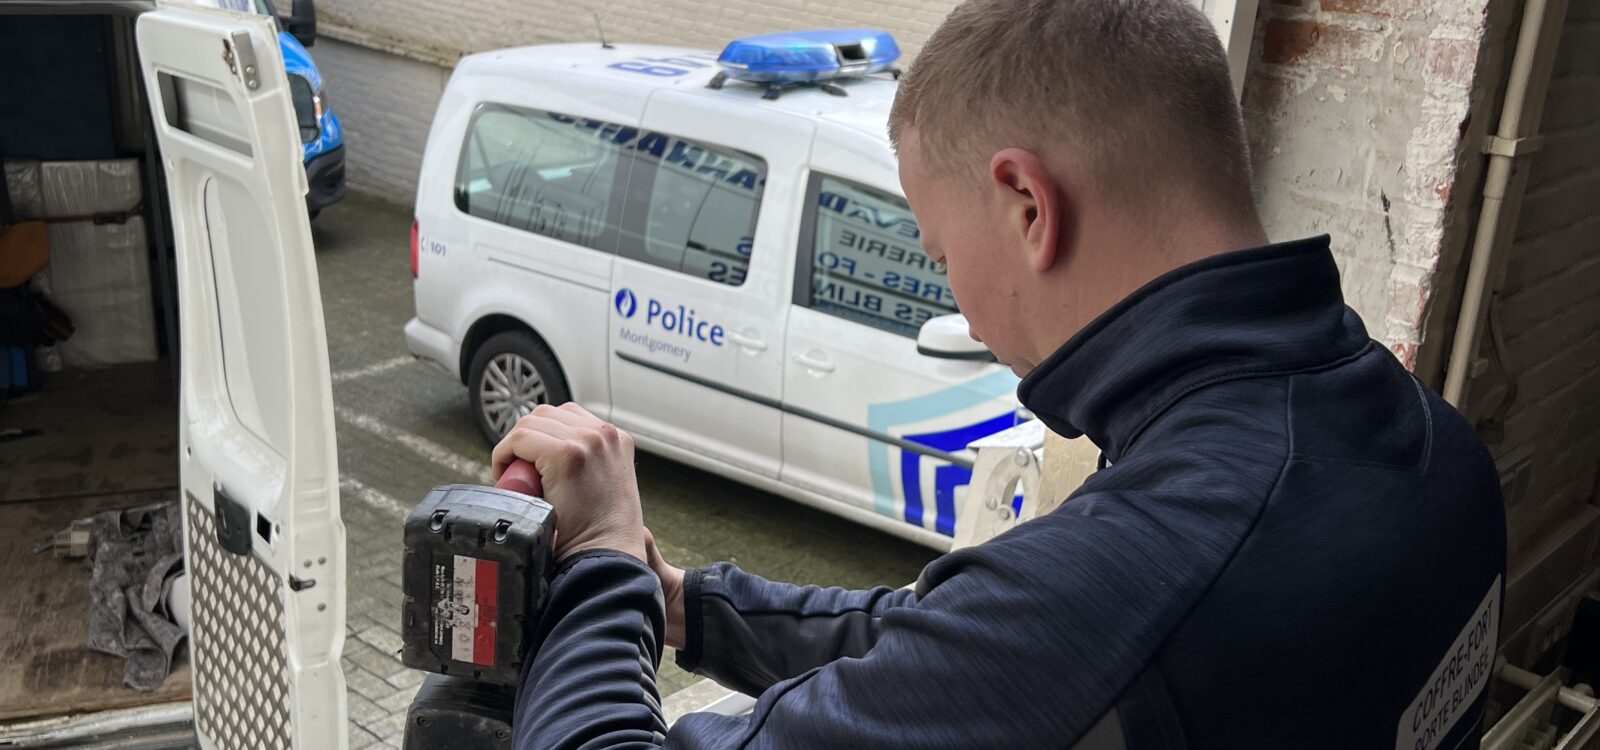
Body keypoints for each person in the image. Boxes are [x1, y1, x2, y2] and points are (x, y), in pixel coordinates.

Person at [493, 0, 1507, 746]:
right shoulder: (1433, 449)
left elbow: (1049, 634)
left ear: (1026, 201)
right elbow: (965, 647)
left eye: (938, 255)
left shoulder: (1147, 572)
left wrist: (600, 563)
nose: (959, 309)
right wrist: (680, 606)